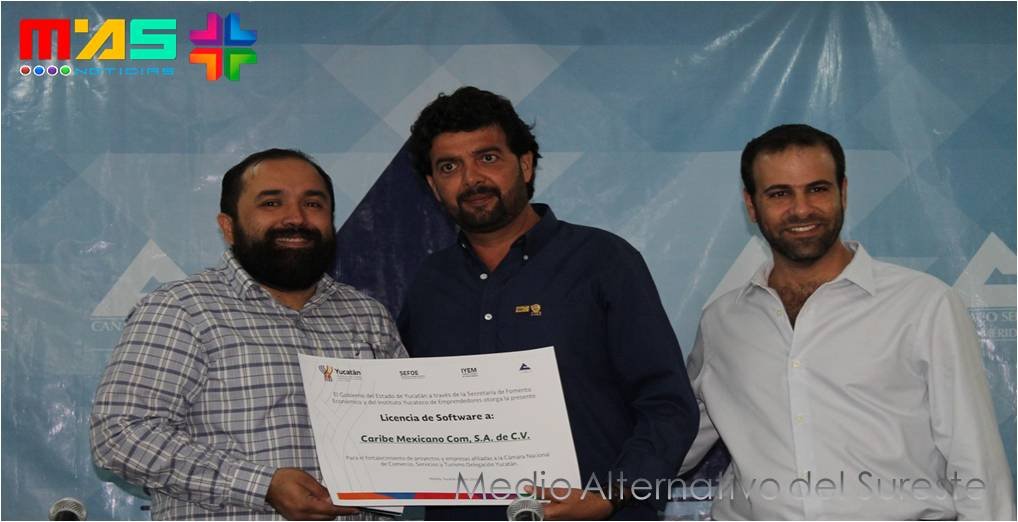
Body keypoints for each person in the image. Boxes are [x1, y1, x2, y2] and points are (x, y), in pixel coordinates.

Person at [680, 124, 1015, 519]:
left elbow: (976, 462)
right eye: (779, 194)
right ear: (751, 205)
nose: (801, 209)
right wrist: (617, 474)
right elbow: (676, 437)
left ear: (843, 191)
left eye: (817, 189)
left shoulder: (924, 304)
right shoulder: (722, 321)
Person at [398, 86, 698, 520]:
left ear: (524, 164)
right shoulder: (429, 283)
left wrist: (609, 496)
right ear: (433, 185)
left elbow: (667, 405)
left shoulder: (603, 261)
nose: (471, 179)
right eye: (449, 166)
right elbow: (407, 409)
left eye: (487, 157)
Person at [90, 149, 408, 520]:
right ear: (228, 227)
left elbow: (405, 434)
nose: (296, 218)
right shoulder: (182, 309)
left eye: (313, 203)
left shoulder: (368, 316)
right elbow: (119, 435)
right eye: (271, 203)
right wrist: (262, 485)